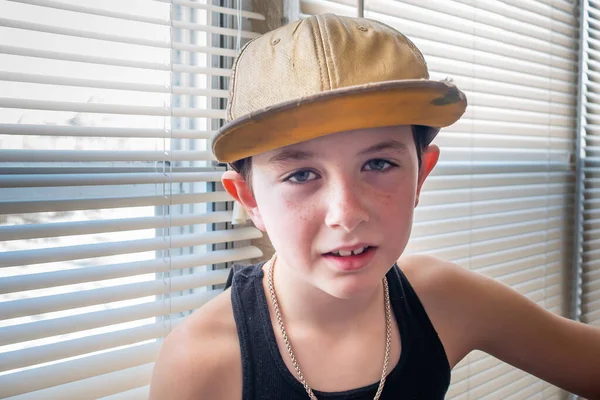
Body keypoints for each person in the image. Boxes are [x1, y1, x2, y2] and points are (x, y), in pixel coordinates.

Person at [149, 13, 600, 399]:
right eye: (301, 175)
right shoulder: (201, 363)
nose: (346, 213)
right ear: (249, 199)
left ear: (421, 174)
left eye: (379, 163)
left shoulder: (445, 300)